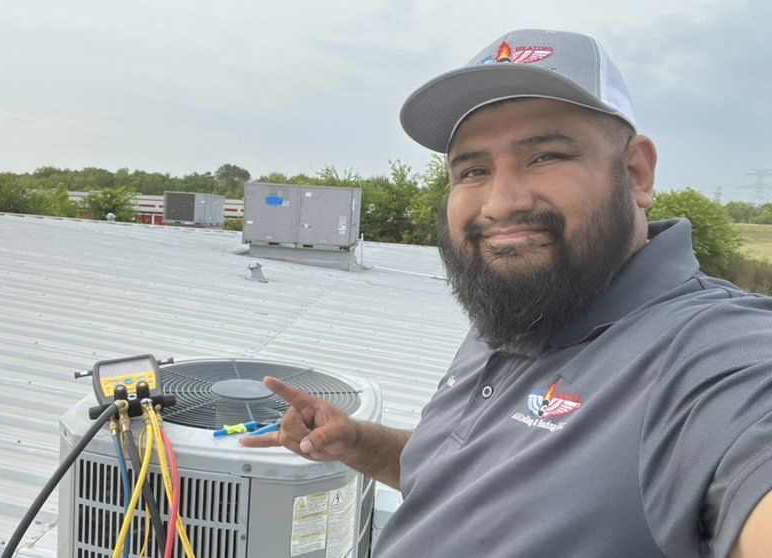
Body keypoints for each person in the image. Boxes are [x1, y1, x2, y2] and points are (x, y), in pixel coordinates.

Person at [241, 29, 772, 557]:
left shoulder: (716, 354)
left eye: (545, 156)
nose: (500, 203)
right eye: (473, 170)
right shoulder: (519, 308)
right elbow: (468, 477)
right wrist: (359, 444)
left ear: (635, 173)